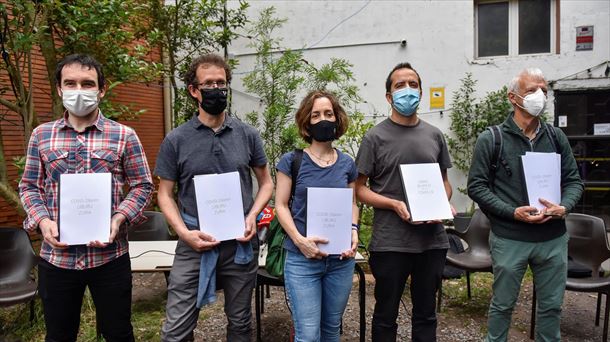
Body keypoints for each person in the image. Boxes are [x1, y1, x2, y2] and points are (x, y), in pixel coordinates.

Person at [19, 53, 154, 341]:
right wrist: (42, 221)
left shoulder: (124, 136)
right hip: (57, 259)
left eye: (87, 83)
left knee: (119, 333)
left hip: (110, 258)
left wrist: (119, 219)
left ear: (101, 89)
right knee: (58, 335)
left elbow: (143, 185)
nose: (78, 90)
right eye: (70, 83)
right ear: (59, 88)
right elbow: (29, 186)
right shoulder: (41, 136)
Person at [155, 53, 273, 341]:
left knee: (241, 323)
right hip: (194, 243)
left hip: (240, 244)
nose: (217, 89)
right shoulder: (176, 140)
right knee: (176, 330)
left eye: (222, 83)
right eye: (209, 83)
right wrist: (183, 233)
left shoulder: (247, 135)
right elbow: (165, 194)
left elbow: (267, 183)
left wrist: (251, 216)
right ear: (194, 90)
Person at [468, 68, 584, 342]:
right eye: (532, 90)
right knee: (502, 306)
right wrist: (512, 212)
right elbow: (477, 187)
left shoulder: (556, 137)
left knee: (551, 308)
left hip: (552, 239)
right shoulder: (492, 139)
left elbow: (574, 181)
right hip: (510, 238)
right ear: (513, 97)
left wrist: (564, 207)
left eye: (544, 90)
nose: (540, 96)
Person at [355, 62, 454, 342]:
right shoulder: (375, 137)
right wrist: (393, 204)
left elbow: (444, 183)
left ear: (421, 92)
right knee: (386, 315)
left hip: (431, 241)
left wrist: (441, 204)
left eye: (413, 84)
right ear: (389, 96)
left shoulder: (435, 135)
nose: (407, 90)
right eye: (400, 85)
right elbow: (360, 190)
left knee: (426, 314)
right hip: (390, 242)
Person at [275, 90, 359, 341]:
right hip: (302, 260)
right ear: (306, 122)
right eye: (316, 115)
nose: (323, 119)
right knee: (308, 334)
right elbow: (280, 205)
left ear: (337, 119)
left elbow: (353, 202)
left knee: (332, 328)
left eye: (329, 113)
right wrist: (300, 241)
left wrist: (353, 230)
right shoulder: (291, 161)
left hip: (340, 261)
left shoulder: (347, 164)